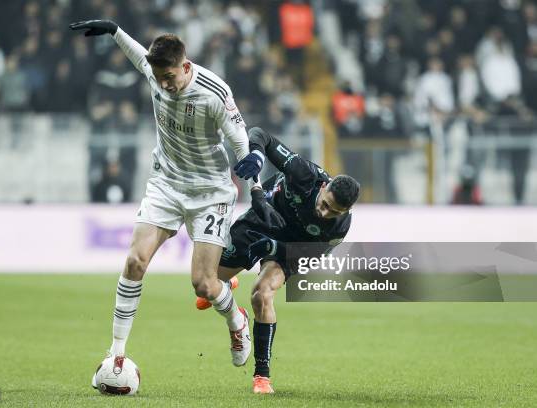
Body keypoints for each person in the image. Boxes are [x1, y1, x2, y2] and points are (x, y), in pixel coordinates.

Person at [69, 20, 276, 380]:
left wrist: (255, 184)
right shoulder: (154, 74)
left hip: (210, 192)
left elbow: (241, 141)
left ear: (185, 66)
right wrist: (114, 29)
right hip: (166, 183)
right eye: (158, 76)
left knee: (204, 284)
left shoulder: (214, 92)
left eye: (169, 76)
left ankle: (235, 319)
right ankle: (117, 352)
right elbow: (136, 54)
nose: (164, 84)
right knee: (135, 261)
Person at [197, 127, 360, 394]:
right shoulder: (304, 173)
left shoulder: (339, 227)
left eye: (333, 211)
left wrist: (273, 247)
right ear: (324, 186)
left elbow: (310, 257)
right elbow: (261, 135)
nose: (324, 211)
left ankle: (262, 376)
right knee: (205, 283)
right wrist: (258, 157)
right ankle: (230, 293)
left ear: (346, 211)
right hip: (264, 217)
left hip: (289, 247)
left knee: (262, 295)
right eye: (325, 202)